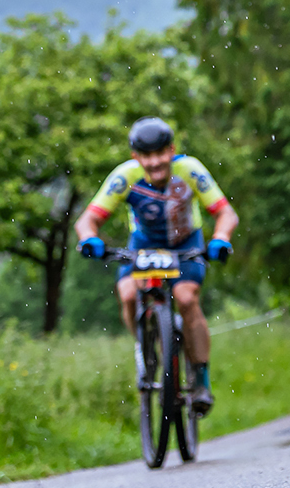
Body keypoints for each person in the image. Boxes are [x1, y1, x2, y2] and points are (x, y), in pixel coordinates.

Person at [74, 116, 239, 415]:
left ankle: (201, 380)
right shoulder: (125, 176)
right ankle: (146, 347)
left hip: (185, 243)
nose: (155, 162)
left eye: (161, 153)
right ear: (135, 156)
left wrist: (220, 238)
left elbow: (226, 213)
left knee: (187, 299)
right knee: (127, 295)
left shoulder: (189, 170)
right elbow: (88, 219)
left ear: (171, 150)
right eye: (146, 156)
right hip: (144, 246)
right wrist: (89, 239)